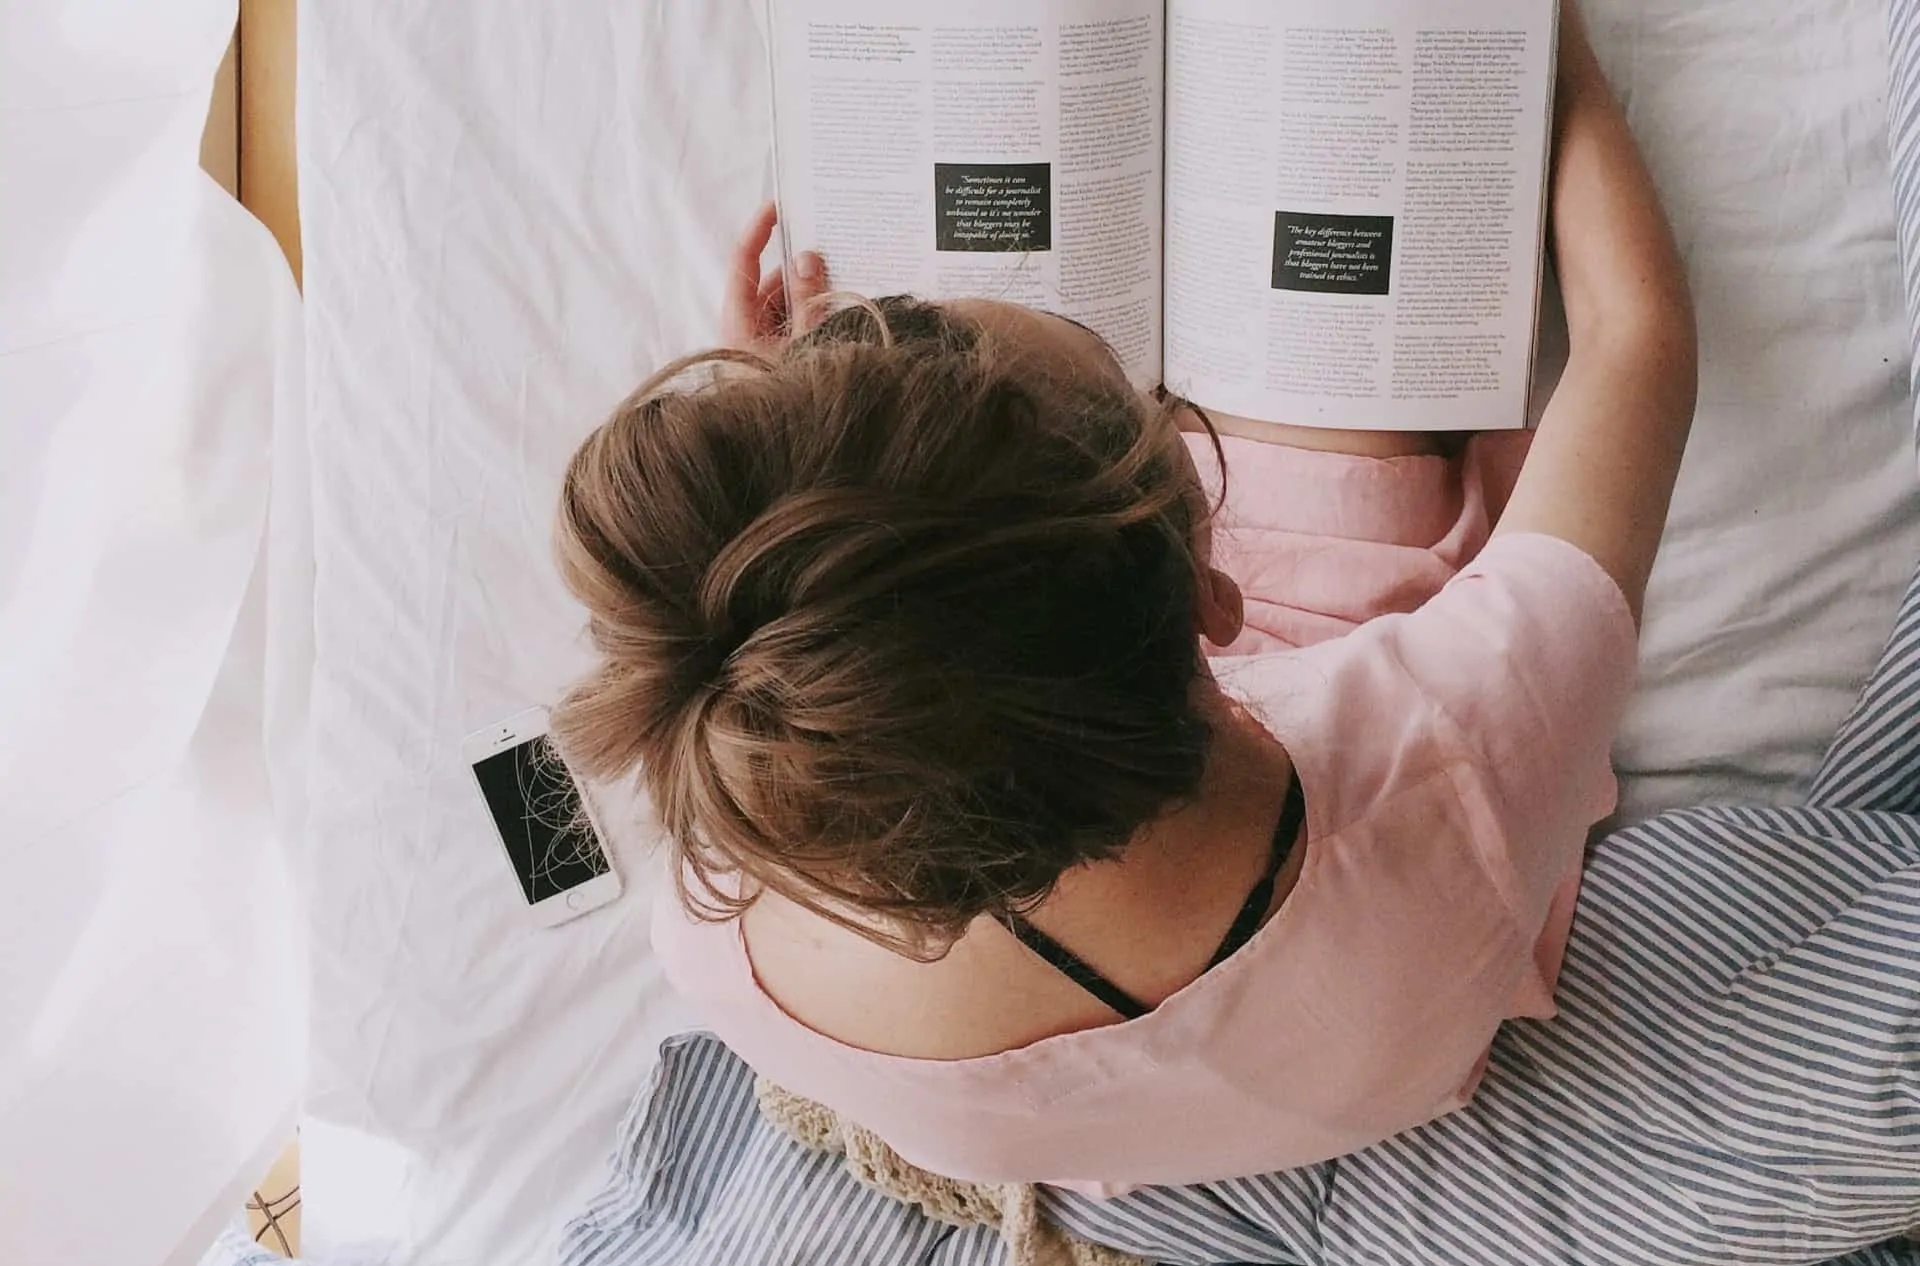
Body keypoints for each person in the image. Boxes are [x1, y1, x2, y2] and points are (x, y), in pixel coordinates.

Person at [551, 1, 1697, 1190]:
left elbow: (834, 664)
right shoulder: (1456, 749)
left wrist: (796, 470)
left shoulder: (729, 930)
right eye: (1145, 414)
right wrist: (1538, 42)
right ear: (1220, 591)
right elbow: (1635, 338)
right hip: (1363, 927)